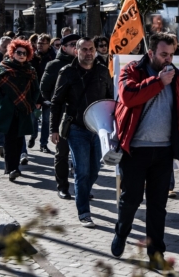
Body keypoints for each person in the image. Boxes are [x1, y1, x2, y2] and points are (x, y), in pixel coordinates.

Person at [111, 32, 179, 265]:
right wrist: (159, 82)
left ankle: (156, 253)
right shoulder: (132, 70)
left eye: (171, 54)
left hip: (164, 151)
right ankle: (121, 232)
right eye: (163, 54)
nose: (168, 59)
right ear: (150, 53)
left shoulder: (178, 77)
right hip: (135, 150)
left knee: (158, 206)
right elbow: (129, 97)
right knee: (131, 199)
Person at [50, 37, 113, 227]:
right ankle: (84, 212)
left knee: (94, 170)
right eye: (84, 49)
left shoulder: (103, 71)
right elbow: (57, 101)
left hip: (99, 130)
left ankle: (83, 190)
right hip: (77, 129)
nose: (88, 52)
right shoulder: (67, 72)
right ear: (76, 51)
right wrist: (53, 129)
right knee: (82, 172)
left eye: (91, 49)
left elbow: (110, 99)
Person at [0, 39, 40, 181]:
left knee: (19, 140)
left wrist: (31, 102)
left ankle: (14, 167)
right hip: (8, 110)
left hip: (23, 109)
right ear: (12, 53)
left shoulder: (30, 70)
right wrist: (1, 100)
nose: (22, 55)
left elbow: (36, 90)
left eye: (25, 53)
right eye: (19, 52)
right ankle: (12, 168)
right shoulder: (3, 67)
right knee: (10, 140)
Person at [40, 34, 80, 200]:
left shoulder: (88, 64)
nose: (76, 48)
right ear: (64, 47)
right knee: (62, 153)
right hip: (63, 116)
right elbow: (44, 88)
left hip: (82, 117)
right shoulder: (54, 65)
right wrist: (56, 103)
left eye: (79, 44)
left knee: (82, 156)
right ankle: (63, 187)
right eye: (73, 45)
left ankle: (82, 188)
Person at [29, 34, 53, 154]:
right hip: (35, 93)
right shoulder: (32, 57)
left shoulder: (53, 57)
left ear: (49, 44)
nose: (40, 45)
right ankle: (33, 135)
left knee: (46, 121)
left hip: (49, 94)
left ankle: (43, 144)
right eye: (38, 43)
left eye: (43, 43)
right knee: (34, 118)